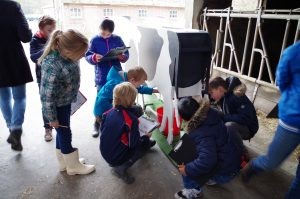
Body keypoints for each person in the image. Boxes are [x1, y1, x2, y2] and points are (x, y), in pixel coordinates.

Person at [241, 42, 300, 199]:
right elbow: (281, 81)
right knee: (272, 161)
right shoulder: (293, 53)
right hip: (293, 120)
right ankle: (253, 166)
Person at [39, 29, 95, 175]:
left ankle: (64, 163)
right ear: (69, 51)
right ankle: (73, 167)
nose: (84, 56)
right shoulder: (52, 65)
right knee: (65, 133)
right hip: (56, 107)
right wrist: (52, 118)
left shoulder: (68, 57)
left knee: (62, 132)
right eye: (81, 53)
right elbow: (46, 96)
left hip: (65, 101)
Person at [174, 97, 242, 199]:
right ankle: (209, 177)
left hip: (225, 172)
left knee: (183, 157)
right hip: (230, 162)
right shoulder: (210, 113)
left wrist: (187, 169)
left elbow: (208, 160)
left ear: (183, 118)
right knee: (191, 147)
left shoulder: (201, 133)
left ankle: (193, 190)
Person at [100, 82, 156, 184]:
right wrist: (145, 137)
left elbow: (103, 131)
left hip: (105, 151)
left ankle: (144, 143)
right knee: (143, 145)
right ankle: (120, 168)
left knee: (133, 135)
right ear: (131, 100)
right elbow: (133, 144)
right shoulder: (131, 119)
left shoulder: (107, 113)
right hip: (115, 158)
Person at [85, 18, 129, 137]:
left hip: (116, 74)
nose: (105, 36)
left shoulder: (117, 39)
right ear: (100, 29)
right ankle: (97, 123)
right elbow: (87, 55)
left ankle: (115, 123)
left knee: (117, 99)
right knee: (101, 100)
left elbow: (126, 53)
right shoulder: (94, 40)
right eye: (103, 33)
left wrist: (122, 57)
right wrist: (94, 57)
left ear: (112, 32)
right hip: (102, 76)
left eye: (108, 34)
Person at [0, 0, 33, 151]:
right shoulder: (12, 6)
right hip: (13, 57)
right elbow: (25, 36)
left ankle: (12, 129)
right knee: (19, 97)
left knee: (3, 97)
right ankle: (16, 129)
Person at [93, 65, 158, 138]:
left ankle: (140, 136)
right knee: (133, 113)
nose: (139, 86)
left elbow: (139, 88)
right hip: (103, 112)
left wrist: (155, 90)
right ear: (133, 80)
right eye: (139, 83)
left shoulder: (126, 78)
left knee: (136, 108)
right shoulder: (115, 84)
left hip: (110, 108)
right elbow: (102, 103)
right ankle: (139, 138)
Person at [209, 76, 259, 160]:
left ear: (220, 89)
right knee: (215, 114)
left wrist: (225, 117)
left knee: (229, 126)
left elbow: (246, 118)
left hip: (248, 128)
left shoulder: (237, 96)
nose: (211, 96)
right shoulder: (224, 94)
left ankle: (243, 153)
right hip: (237, 123)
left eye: (211, 93)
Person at [30, 15, 56, 142]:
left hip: (57, 77)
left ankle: (59, 125)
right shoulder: (35, 39)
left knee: (59, 102)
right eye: (49, 30)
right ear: (41, 29)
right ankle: (48, 128)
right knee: (46, 104)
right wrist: (48, 48)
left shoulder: (58, 38)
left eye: (53, 29)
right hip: (43, 78)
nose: (52, 33)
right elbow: (33, 57)